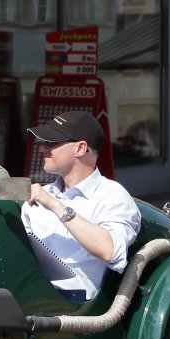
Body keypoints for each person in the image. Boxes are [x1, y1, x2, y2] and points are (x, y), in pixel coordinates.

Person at [22, 110, 142, 303]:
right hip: (31, 294)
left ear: (80, 148)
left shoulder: (112, 195)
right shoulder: (39, 195)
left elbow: (109, 250)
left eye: (51, 143)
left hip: (76, 303)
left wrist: (54, 205)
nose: (42, 148)